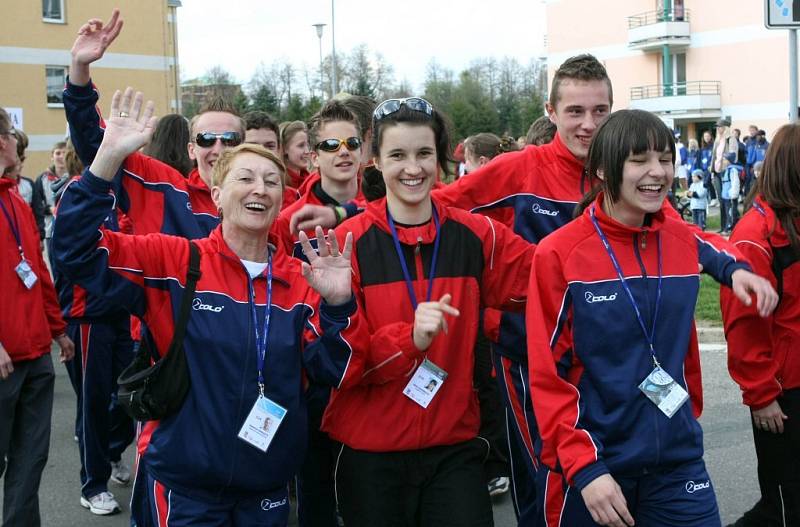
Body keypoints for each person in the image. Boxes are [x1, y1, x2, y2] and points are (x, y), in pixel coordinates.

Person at [52, 88, 381, 526]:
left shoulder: (301, 282)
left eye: (270, 182)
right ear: (216, 193)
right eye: (244, 179)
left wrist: (339, 304)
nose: (258, 189)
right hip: (187, 488)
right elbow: (75, 253)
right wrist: (105, 163)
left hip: (265, 490)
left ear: (281, 199)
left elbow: (335, 370)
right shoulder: (175, 261)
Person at [526, 109, 777, 527]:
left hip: (676, 462)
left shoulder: (679, 237)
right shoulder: (559, 254)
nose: (657, 172)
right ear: (605, 169)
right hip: (595, 468)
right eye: (640, 160)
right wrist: (584, 467)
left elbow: (715, 244)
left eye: (664, 158)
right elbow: (546, 377)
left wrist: (737, 272)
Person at [324, 97, 535, 527]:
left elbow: (550, 279)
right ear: (375, 162)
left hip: (454, 450)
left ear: (440, 159)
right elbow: (339, 364)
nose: (412, 168)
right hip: (372, 457)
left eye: (423, 154)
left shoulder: (477, 235)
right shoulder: (347, 243)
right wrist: (409, 340)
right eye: (397, 155)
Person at [430, 54, 614, 524]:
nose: (588, 124)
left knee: (604, 477)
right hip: (528, 359)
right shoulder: (519, 169)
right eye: (575, 111)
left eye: (599, 111)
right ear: (551, 112)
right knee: (545, 479)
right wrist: (488, 314)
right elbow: (433, 209)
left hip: (605, 357)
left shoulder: (617, 170)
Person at [721, 123, 800, 527]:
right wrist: (762, 393)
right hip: (783, 394)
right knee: (783, 507)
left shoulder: (792, 222)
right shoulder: (756, 234)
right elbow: (744, 324)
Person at [0, 107, 75, 527]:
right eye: (11, 133)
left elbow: (38, 273)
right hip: (4, 358)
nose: (16, 140)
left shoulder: (15, 196)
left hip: (35, 356)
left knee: (29, 463)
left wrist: (58, 330)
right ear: (1, 143)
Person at [280, 120, 311, 189]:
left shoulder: (311, 181)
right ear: (284, 149)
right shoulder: (279, 183)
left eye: (308, 145)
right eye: (301, 145)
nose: (307, 151)